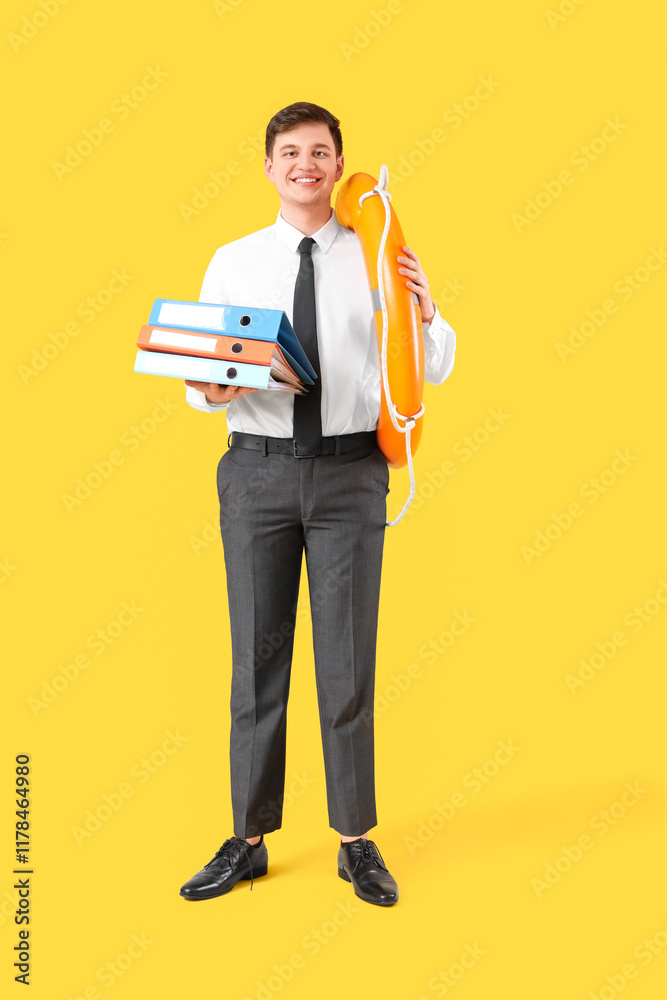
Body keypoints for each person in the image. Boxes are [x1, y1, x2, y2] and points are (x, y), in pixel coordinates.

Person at [178, 102, 456, 907]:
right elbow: (203, 379)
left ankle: (355, 840)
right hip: (256, 473)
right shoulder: (231, 261)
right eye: (290, 151)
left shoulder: (378, 256)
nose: (306, 163)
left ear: (339, 167)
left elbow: (430, 367)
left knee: (346, 663)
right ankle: (248, 838)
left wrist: (427, 311)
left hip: (348, 475)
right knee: (255, 662)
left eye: (321, 152)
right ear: (268, 167)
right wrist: (206, 386)